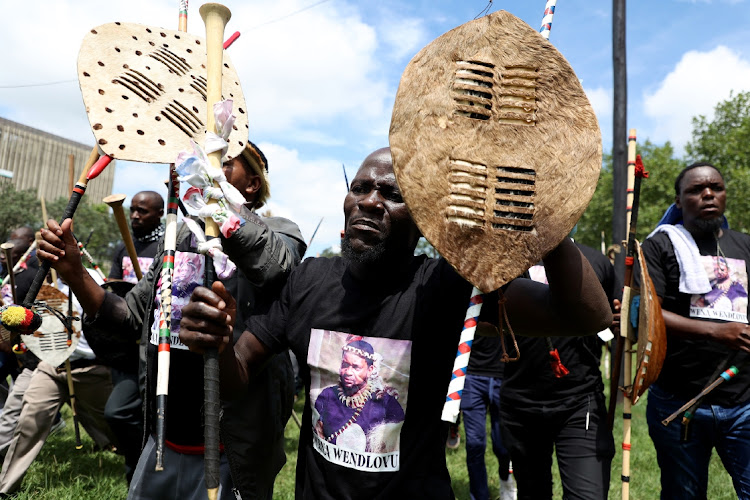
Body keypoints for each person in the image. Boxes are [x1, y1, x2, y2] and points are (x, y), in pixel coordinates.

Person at [179, 147, 613, 499]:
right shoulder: (308, 281)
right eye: (360, 188)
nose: (370, 201)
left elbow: (584, 315)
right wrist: (217, 345)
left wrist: (548, 224)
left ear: (424, 221)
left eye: (392, 194)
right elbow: (238, 372)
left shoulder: (447, 288)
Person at [37, 141, 305, 500]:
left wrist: (220, 203)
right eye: (199, 164)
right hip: (166, 435)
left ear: (252, 184)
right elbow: (130, 317)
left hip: (233, 448)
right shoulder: (178, 238)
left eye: (222, 164)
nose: (204, 170)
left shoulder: (282, 232)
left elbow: (276, 267)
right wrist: (75, 273)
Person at [640, 162, 750, 499]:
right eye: (695, 190)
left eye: (715, 187)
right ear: (678, 200)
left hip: (743, 401)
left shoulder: (745, 245)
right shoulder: (660, 246)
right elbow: (649, 314)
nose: (707, 194)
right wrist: (717, 332)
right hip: (680, 400)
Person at [499, 242, 615, 500]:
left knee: (588, 496)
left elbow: (614, 322)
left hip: (580, 402)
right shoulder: (501, 261)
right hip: (520, 404)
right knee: (532, 493)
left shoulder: (597, 262)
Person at [0, 270, 117, 495]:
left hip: (89, 369)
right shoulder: (43, 282)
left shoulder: (92, 280)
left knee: (114, 423)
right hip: (50, 366)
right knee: (29, 423)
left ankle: (136, 460)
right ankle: (6, 487)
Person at [102, 190, 163, 483]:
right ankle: (134, 471)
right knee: (119, 412)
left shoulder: (167, 246)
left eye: (143, 211)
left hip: (154, 343)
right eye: (133, 210)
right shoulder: (122, 249)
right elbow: (114, 289)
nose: (135, 216)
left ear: (159, 213)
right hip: (127, 345)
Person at [313, 336, 405, 453]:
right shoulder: (328, 395)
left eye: (356, 367)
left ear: (370, 369)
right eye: (345, 365)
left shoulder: (386, 403)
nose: (348, 372)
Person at [460, 335, 515, 500]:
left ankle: (506, 478)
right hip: (471, 375)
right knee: (474, 444)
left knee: (503, 445)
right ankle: (479, 496)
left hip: (504, 373)